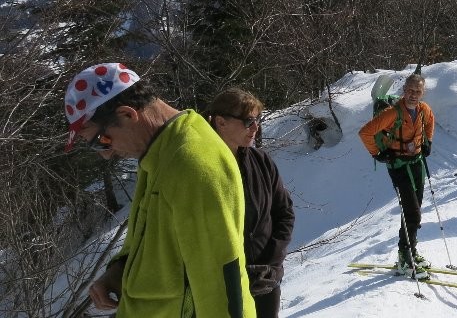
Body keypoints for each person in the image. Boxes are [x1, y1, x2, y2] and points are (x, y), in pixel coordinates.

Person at [64, 63, 256, 317]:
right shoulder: (161, 150)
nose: (106, 155)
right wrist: (120, 270)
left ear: (127, 114)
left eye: (102, 140)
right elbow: (153, 238)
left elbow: (222, 277)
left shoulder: (192, 163)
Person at [207, 88, 295, 318]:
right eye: (248, 121)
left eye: (257, 120)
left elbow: (284, 212)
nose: (255, 127)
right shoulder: (202, 168)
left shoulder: (261, 161)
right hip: (221, 286)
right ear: (220, 122)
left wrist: (272, 265)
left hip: (266, 282)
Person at [358, 73, 435, 278]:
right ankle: (405, 257)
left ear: (423, 92)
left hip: (416, 162)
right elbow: (365, 132)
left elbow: (429, 123)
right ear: (404, 91)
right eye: (410, 90)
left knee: (415, 210)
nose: (413, 95)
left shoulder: (423, 109)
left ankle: (410, 251)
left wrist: (427, 142)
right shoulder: (392, 113)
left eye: (418, 91)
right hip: (398, 165)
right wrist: (379, 153)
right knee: (412, 212)